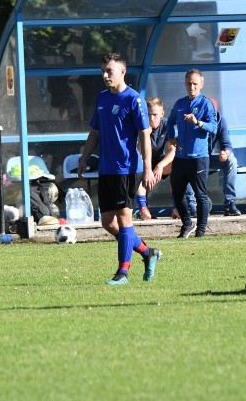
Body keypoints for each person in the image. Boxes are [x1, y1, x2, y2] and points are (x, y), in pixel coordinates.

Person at [77, 53, 161, 285]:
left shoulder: (134, 100)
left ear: (122, 72)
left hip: (126, 168)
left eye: (109, 71)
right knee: (107, 223)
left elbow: (145, 135)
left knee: (125, 219)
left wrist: (147, 168)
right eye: (103, 71)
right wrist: (85, 157)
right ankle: (147, 252)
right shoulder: (102, 98)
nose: (105, 75)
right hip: (106, 168)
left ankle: (122, 272)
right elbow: (95, 131)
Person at [156, 69, 218, 239]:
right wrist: (171, 138)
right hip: (181, 158)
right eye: (189, 83)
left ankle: (201, 229)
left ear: (201, 84)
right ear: (185, 84)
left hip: (198, 158)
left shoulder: (206, 104)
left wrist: (198, 122)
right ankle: (187, 223)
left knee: (200, 195)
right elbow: (170, 122)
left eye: (195, 84)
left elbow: (214, 128)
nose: (192, 87)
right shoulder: (180, 103)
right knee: (177, 193)